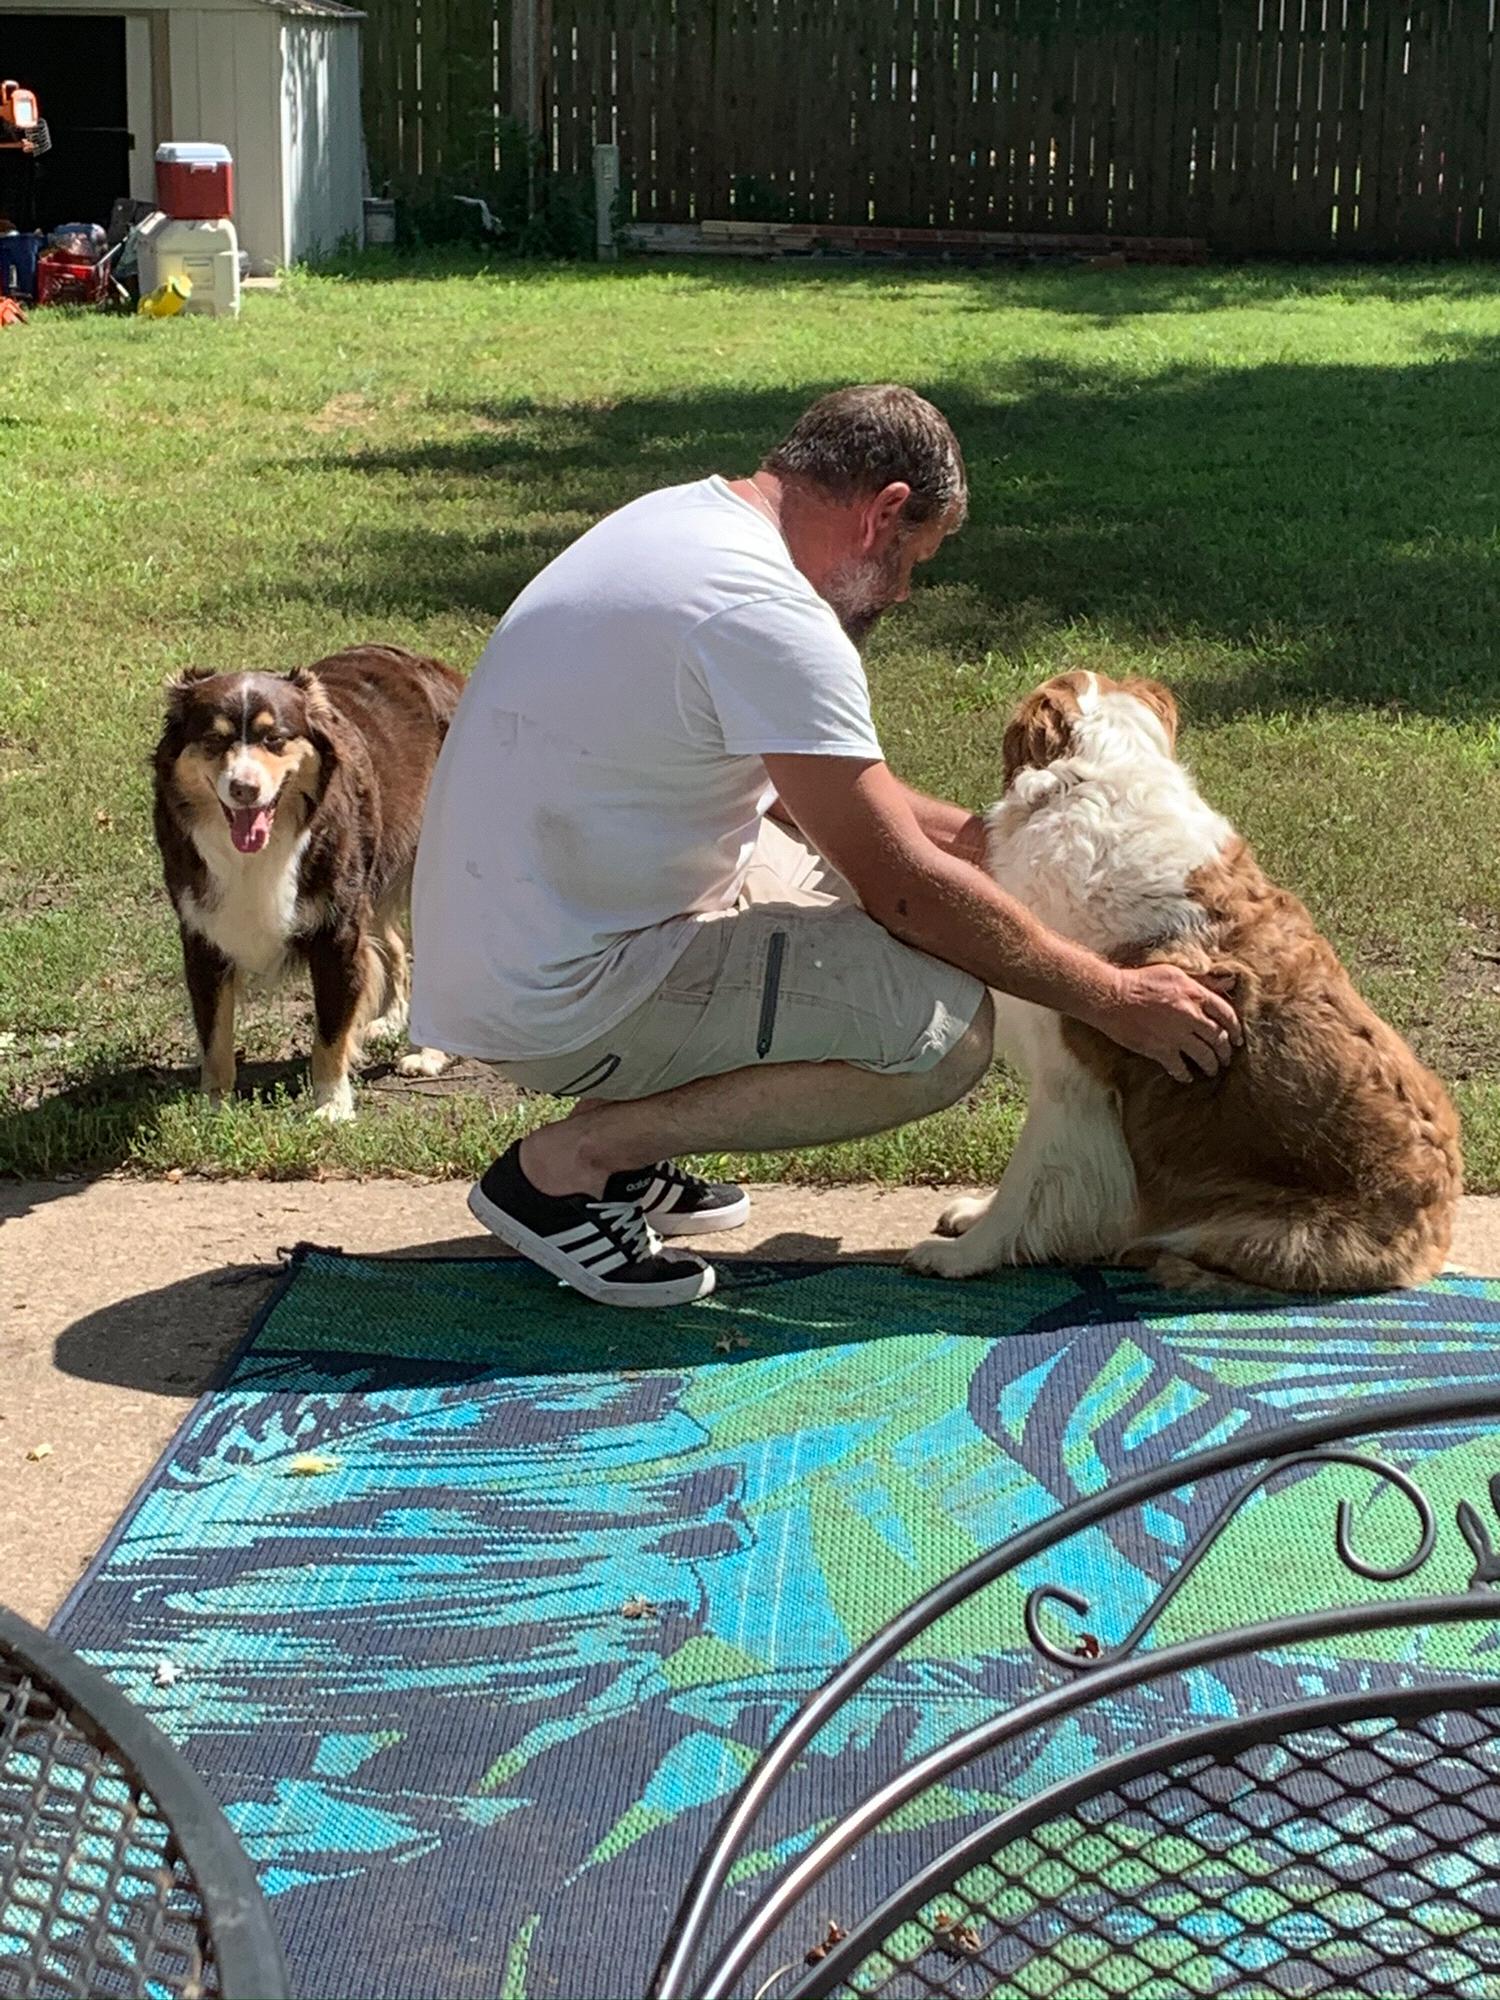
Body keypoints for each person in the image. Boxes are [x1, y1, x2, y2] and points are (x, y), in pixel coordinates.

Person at [410, 385, 1240, 1308]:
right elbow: (901, 888)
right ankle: (568, 1167)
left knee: (895, 916)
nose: (903, 592)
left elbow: (844, 812)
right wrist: (1114, 996)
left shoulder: (686, 524)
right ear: (884, 511)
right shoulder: (772, 617)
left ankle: (625, 1143)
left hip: (511, 938)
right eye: (911, 561)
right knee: (943, 1034)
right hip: (560, 996)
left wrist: (997, 845)